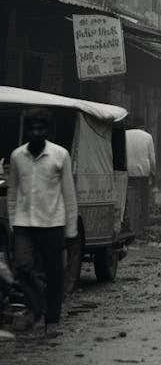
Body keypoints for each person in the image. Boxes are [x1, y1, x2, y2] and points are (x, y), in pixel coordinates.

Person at [7, 108, 78, 337]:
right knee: (23, 268)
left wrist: (71, 230)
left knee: (54, 273)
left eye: (41, 128)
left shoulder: (60, 155)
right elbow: (13, 192)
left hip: (52, 224)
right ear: (26, 130)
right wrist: (12, 223)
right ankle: (38, 310)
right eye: (32, 128)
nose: (36, 133)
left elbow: (69, 194)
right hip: (24, 224)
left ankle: (52, 320)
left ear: (48, 131)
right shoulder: (17, 156)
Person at [125, 118, 156, 236]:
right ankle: (141, 228)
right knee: (143, 201)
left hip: (129, 172)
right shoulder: (147, 137)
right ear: (143, 126)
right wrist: (154, 174)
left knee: (131, 200)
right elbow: (152, 158)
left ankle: (132, 228)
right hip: (143, 174)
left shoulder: (125, 135)